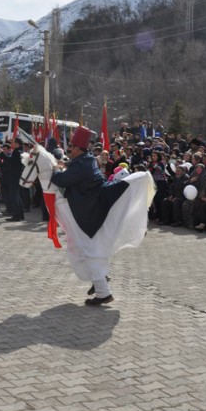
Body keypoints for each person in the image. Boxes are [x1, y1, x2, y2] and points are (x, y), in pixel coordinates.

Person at [51, 126, 130, 306]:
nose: (68, 150)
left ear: (78, 149)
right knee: (84, 248)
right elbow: (73, 170)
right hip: (88, 209)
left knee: (86, 249)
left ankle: (103, 291)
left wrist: (55, 169)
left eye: (70, 147)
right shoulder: (86, 160)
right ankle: (99, 280)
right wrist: (65, 166)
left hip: (86, 213)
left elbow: (62, 180)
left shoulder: (81, 163)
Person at [6, 137, 24, 222]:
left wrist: (3, 155)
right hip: (14, 175)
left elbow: (13, 162)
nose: (11, 144)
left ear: (17, 144)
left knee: (14, 195)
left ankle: (16, 215)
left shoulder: (18, 152)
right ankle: (20, 214)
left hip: (15, 176)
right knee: (17, 195)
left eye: (13, 142)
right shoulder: (18, 151)